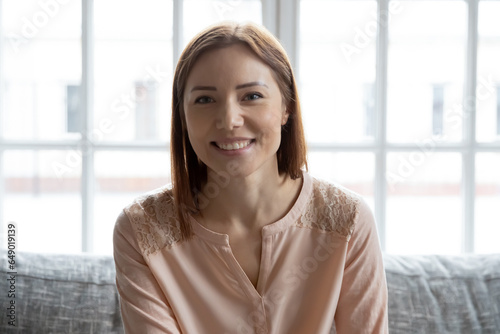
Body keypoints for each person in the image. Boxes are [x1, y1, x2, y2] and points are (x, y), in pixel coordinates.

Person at [113, 21, 388, 334]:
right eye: (204, 99)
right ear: (183, 117)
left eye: (252, 96)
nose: (229, 120)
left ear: (287, 107)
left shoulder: (348, 220)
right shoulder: (140, 230)